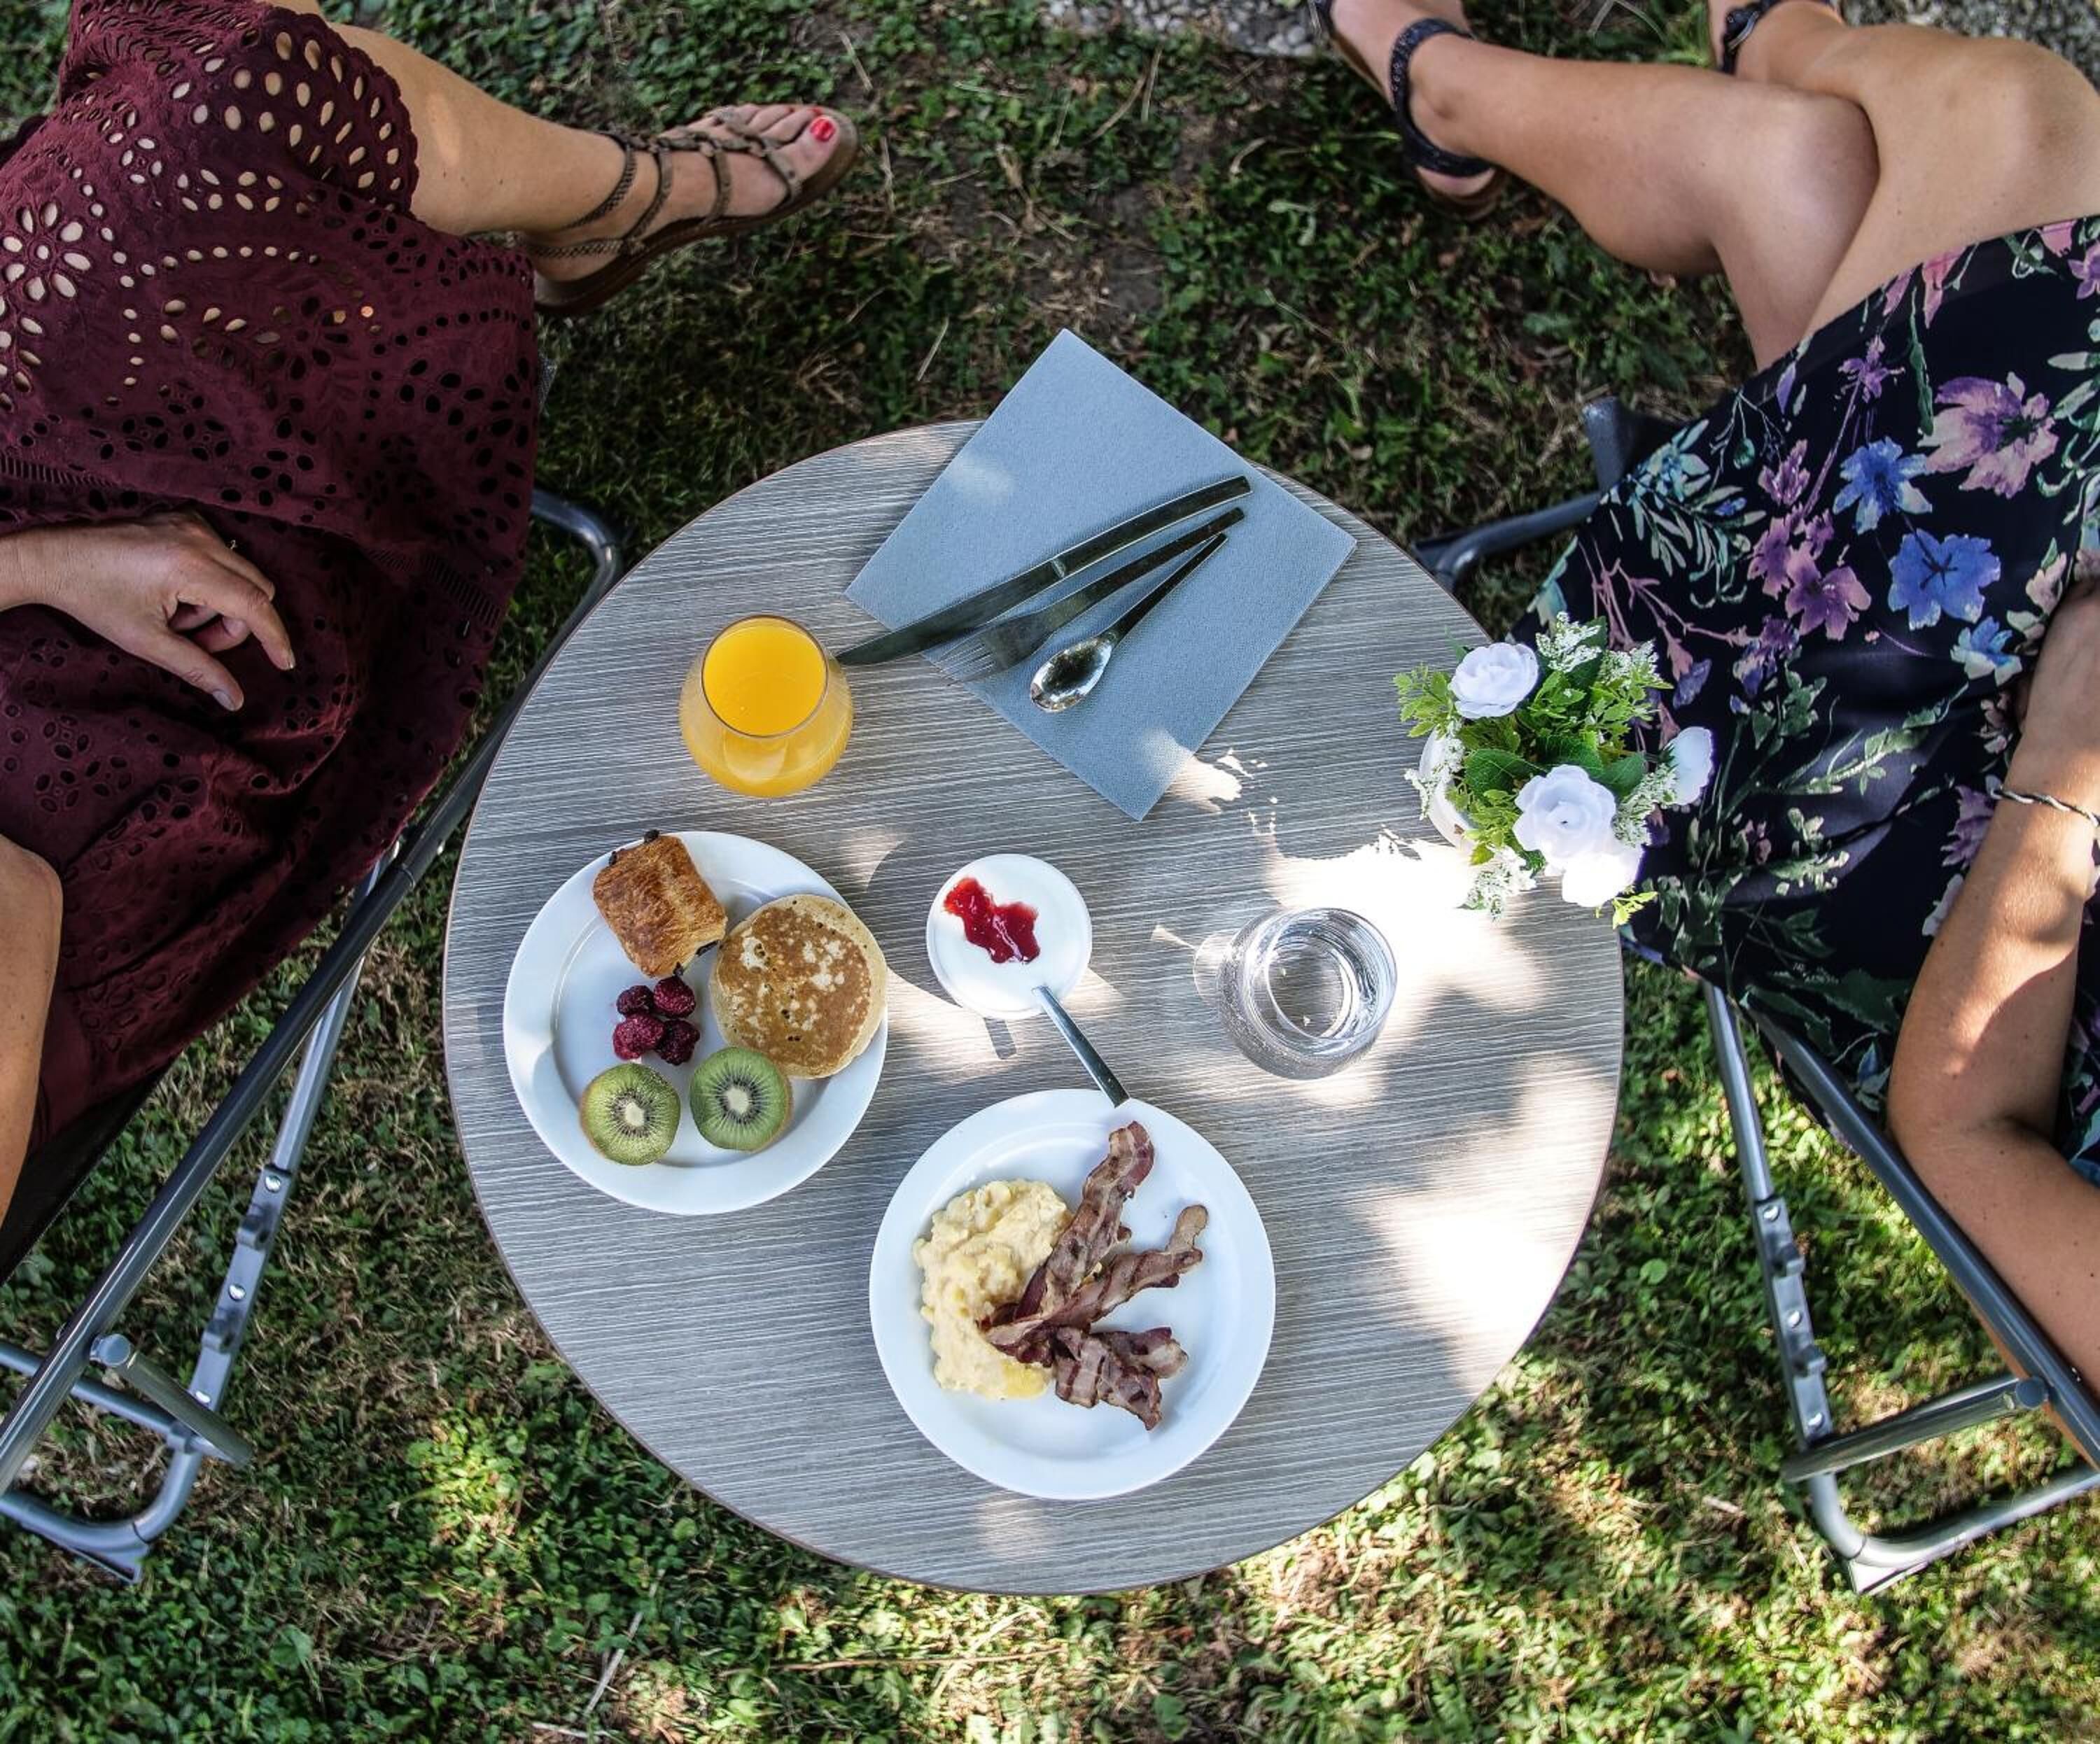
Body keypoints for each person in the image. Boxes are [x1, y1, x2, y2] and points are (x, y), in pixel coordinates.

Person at [1313, 0, 2100, 1384]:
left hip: (1942, 902)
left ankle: (1518, 78)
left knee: (1998, 133)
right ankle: (1720, 63)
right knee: (1814, 175)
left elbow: (1972, 1142)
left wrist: (2065, 772)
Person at [0, 0, 859, 1260]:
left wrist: (38, 560)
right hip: (76, 802)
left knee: (213, 92)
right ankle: (633, 200)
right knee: (228, 109)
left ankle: (602, 210)